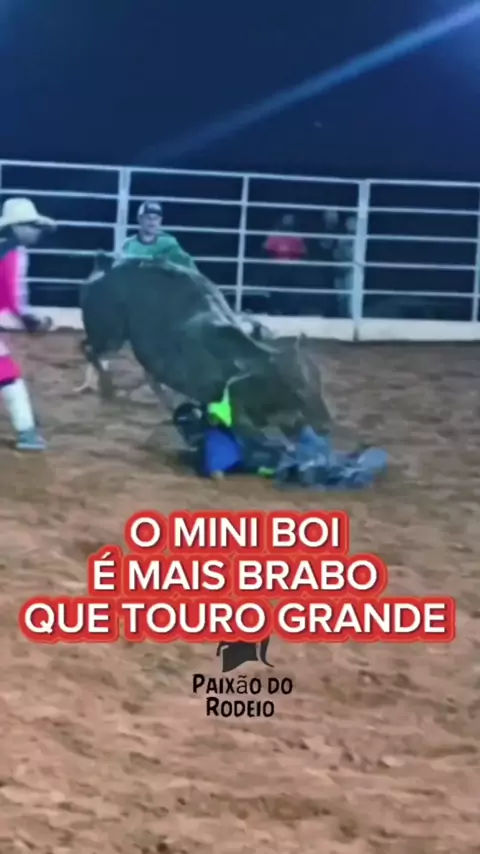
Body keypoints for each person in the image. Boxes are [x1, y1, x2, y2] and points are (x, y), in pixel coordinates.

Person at [0, 197, 54, 450]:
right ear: (17, 227)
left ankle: (27, 431)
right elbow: (15, 296)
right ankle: (27, 434)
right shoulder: (13, 252)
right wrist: (31, 320)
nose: (37, 230)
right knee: (8, 375)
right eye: (32, 225)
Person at [120, 200, 198, 269]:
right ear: (139, 219)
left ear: (160, 220)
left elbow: (188, 265)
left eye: (156, 218)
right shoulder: (129, 244)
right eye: (148, 217)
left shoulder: (169, 243)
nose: (152, 221)